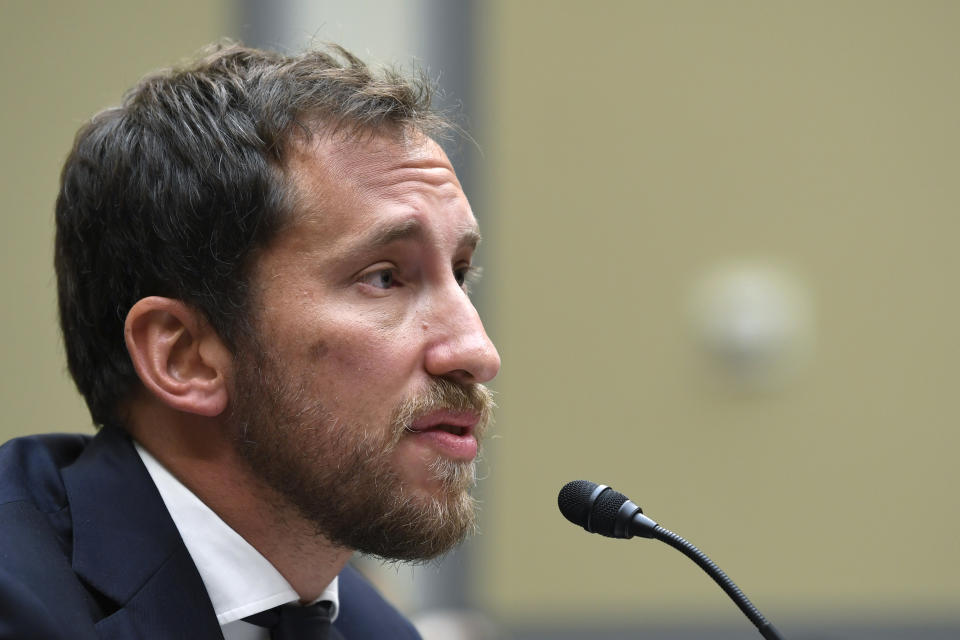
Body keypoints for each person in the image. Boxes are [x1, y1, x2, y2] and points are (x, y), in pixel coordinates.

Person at [0, 41, 500, 639]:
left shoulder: (376, 630)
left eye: (461, 274)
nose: (477, 352)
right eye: (384, 278)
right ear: (185, 357)